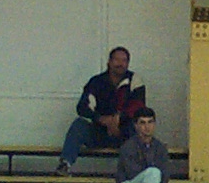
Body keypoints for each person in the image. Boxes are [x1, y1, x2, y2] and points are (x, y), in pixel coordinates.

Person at [58, 46, 145, 174]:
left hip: (124, 134)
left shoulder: (135, 81)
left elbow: (138, 106)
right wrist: (101, 119)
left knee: (139, 127)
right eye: (117, 60)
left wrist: (119, 119)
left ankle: (134, 171)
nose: (120, 64)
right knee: (79, 125)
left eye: (124, 60)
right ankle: (65, 164)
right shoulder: (96, 82)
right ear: (109, 62)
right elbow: (82, 107)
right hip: (99, 133)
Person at [115, 107, 191, 183]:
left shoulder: (160, 148)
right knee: (153, 172)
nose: (147, 127)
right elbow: (133, 174)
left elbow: (165, 174)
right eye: (142, 123)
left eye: (150, 122)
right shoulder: (128, 147)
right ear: (136, 125)